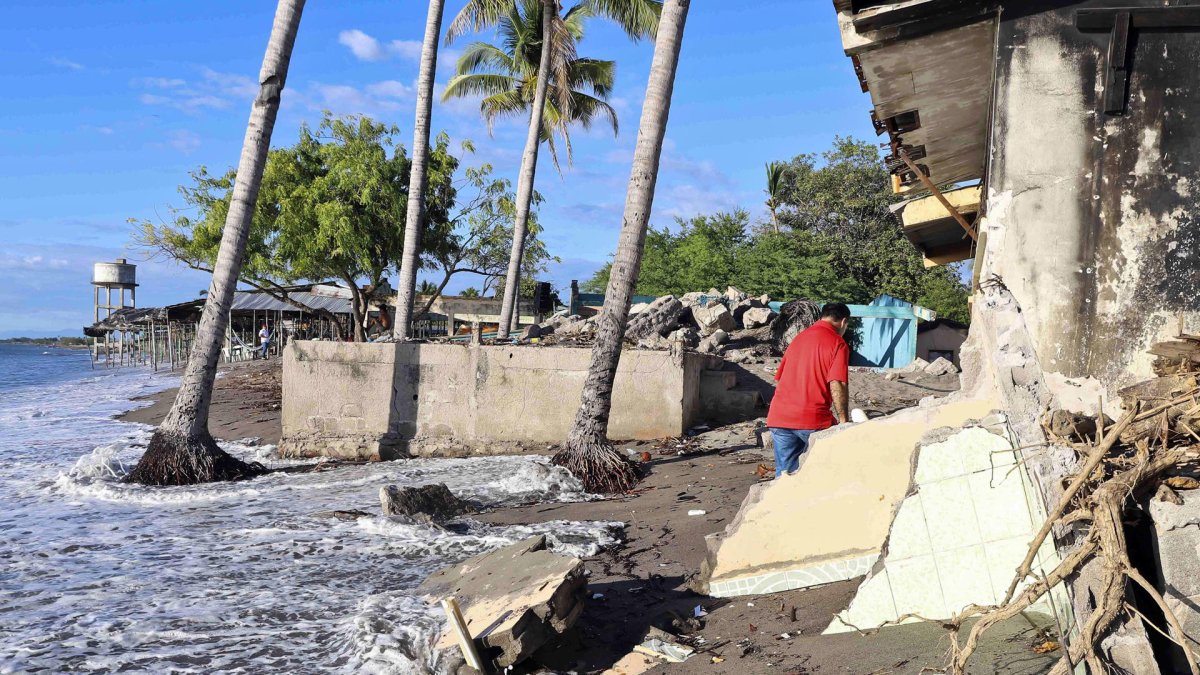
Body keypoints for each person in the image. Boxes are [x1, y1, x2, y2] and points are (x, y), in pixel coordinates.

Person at [766, 302, 851, 477]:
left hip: (779, 416)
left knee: (783, 477)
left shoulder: (799, 338)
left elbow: (780, 377)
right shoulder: (837, 343)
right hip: (812, 419)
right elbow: (837, 383)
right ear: (843, 322)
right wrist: (844, 421)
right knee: (827, 470)